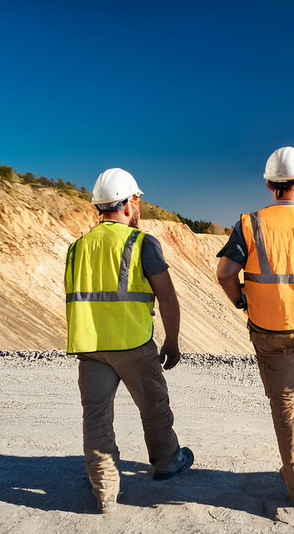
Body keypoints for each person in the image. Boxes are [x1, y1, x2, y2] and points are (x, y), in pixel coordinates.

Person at [215, 147, 294, 506]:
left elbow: (225, 273)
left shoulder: (250, 225)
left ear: (269, 185)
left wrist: (241, 299)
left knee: (287, 406)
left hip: (269, 331)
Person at [65, 167, 193, 514]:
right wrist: (172, 342)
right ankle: (166, 461)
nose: (138, 206)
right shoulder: (141, 242)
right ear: (128, 203)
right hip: (133, 342)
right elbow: (167, 297)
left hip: (91, 345)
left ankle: (104, 491)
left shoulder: (77, 248)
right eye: (136, 200)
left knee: (96, 417)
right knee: (153, 406)